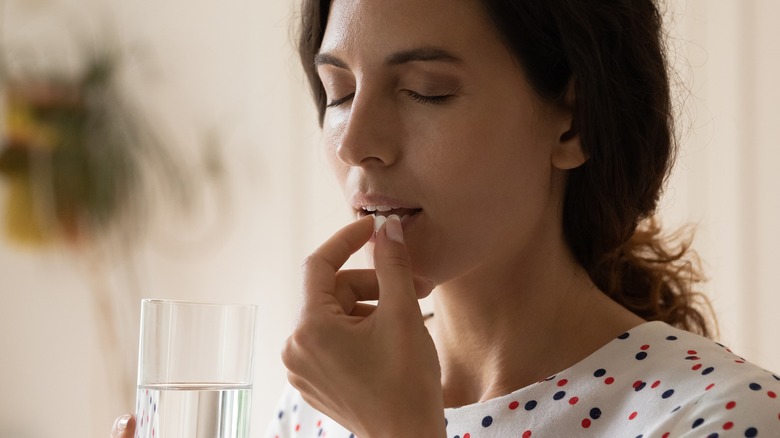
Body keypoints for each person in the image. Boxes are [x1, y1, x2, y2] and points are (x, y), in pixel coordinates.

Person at [112, 0, 780, 437]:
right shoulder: (312, 409)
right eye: (338, 92)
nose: (353, 143)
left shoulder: (719, 417)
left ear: (573, 120)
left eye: (424, 91)